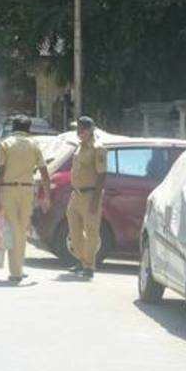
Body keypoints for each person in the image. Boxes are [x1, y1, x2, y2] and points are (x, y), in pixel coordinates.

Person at [0, 115, 50, 283]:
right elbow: (44, 173)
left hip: (8, 190)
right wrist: (47, 196)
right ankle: (18, 268)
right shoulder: (34, 145)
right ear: (28, 129)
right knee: (21, 230)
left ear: (14, 128)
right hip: (27, 191)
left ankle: (16, 272)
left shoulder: (6, 144)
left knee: (13, 229)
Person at [66, 116, 107, 279]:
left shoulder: (98, 148)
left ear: (90, 130)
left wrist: (96, 200)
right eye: (77, 129)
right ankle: (81, 260)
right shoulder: (79, 147)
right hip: (76, 194)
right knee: (74, 231)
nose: (79, 132)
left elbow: (102, 174)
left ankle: (89, 266)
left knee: (91, 232)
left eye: (82, 129)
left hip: (91, 194)